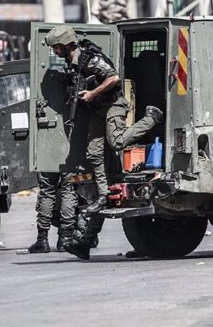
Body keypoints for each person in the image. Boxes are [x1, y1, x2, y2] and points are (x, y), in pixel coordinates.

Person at [44, 24, 163, 260]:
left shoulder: (90, 58)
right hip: (97, 110)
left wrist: (92, 94)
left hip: (113, 105)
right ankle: (101, 200)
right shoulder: (72, 63)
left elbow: (114, 78)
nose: (54, 51)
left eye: (56, 47)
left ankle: (151, 118)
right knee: (93, 152)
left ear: (66, 43)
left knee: (117, 141)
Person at [27, 172, 77, 253]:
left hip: (48, 160)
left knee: (47, 191)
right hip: (69, 160)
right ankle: (66, 238)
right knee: (69, 191)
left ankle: (42, 239)